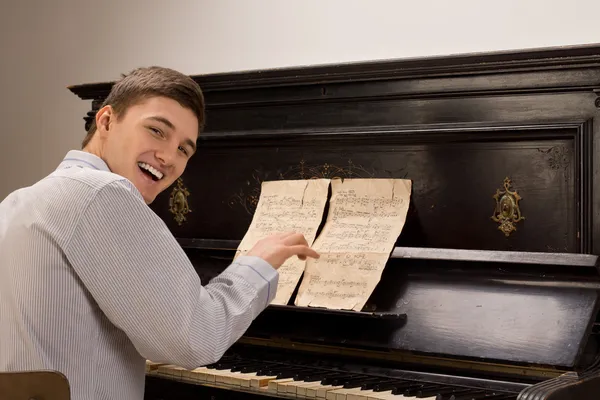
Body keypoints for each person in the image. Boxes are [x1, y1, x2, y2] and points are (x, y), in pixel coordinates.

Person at [0, 66, 319, 400]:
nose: (168, 157)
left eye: (184, 149)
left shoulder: (17, 203)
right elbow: (196, 339)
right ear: (106, 120)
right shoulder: (102, 192)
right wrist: (257, 264)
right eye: (156, 130)